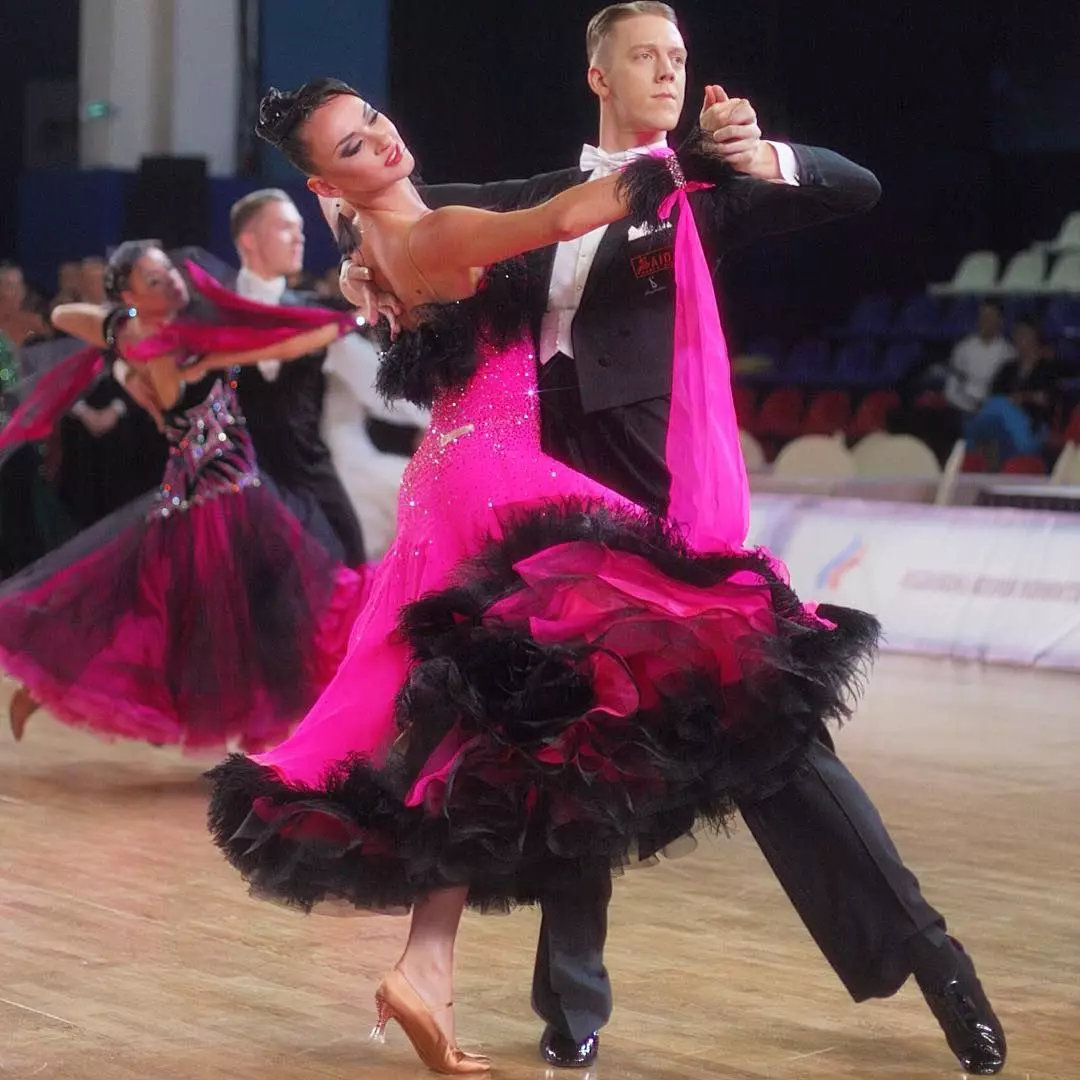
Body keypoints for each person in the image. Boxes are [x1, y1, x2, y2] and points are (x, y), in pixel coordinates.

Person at [338, 4, 1005, 1074]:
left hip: (668, 527)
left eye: (680, 58)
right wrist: (353, 266)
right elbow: (397, 226)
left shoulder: (696, 195)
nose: (669, 72)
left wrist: (763, 150)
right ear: (596, 73)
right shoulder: (527, 205)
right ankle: (572, 1016)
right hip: (549, 528)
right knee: (565, 755)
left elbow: (854, 186)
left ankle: (938, 969)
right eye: (646, 57)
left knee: (781, 750)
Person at [206, 77, 879, 1076]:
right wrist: (683, 162)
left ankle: (423, 968)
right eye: (354, 147)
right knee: (691, 588)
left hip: (454, 476)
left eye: (376, 122)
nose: (383, 144)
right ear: (325, 177)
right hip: (496, 479)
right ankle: (714, 766)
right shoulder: (429, 238)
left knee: (483, 728)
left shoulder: (371, 248)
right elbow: (567, 213)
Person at [0, 241, 367, 749]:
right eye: (154, 281)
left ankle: (46, 692)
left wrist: (122, 338)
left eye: (168, 273)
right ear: (129, 292)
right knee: (226, 627)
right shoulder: (174, 352)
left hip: (236, 494)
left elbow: (72, 315)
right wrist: (343, 324)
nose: (172, 282)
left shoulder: (159, 331)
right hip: (213, 508)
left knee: (205, 623)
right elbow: (268, 347)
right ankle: (259, 742)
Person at [116, 191, 368, 567]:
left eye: (299, 228)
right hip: (235, 488)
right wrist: (126, 371)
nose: (300, 237)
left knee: (351, 568)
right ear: (248, 239)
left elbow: (370, 375)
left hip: (310, 478)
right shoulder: (207, 311)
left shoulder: (317, 313)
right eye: (285, 227)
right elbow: (133, 334)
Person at [964, 317, 1058, 465]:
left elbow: (1047, 398)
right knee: (988, 412)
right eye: (1017, 335)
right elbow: (994, 396)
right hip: (1002, 421)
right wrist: (1010, 401)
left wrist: (1022, 398)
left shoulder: (1047, 368)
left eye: (1024, 334)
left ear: (1035, 337)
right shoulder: (1007, 368)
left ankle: (1025, 445)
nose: (1019, 339)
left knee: (999, 405)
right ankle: (970, 460)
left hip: (1032, 422)